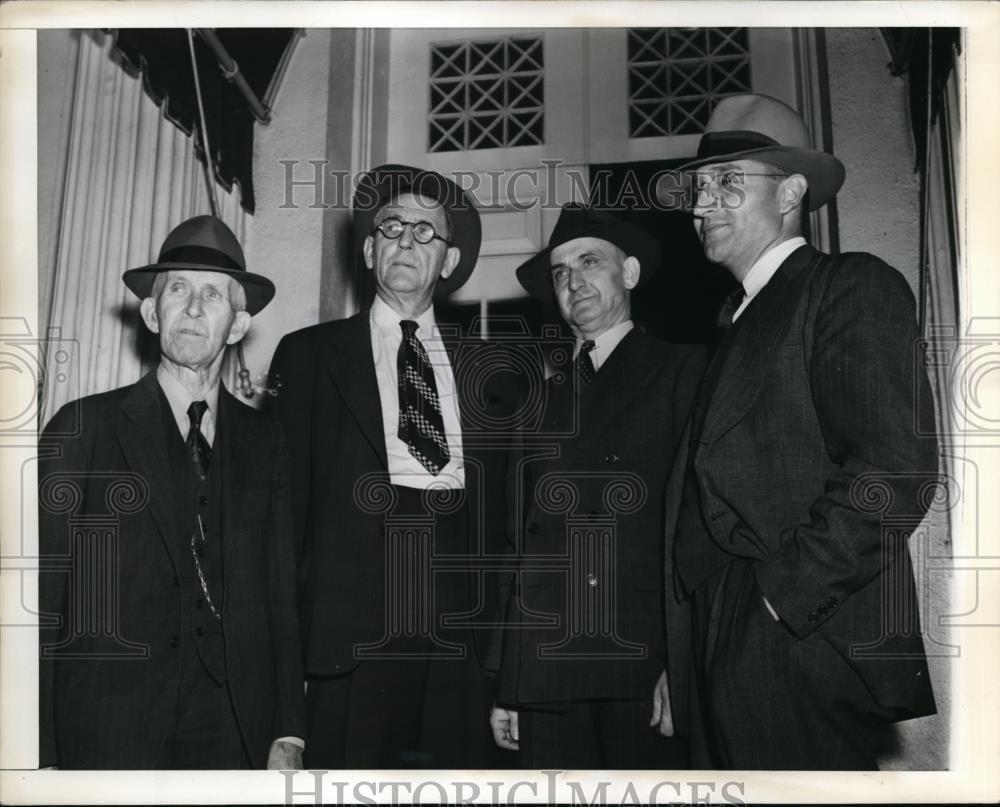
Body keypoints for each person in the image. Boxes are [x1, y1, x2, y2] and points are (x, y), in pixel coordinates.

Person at [655, 93, 939, 770]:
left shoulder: (847, 285)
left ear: (790, 192)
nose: (702, 204)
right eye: (698, 187)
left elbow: (895, 470)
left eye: (728, 182)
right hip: (719, 642)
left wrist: (780, 601)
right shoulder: (729, 326)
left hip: (795, 633)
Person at [268, 164, 518, 768]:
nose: (408, 241)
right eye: (393, 227)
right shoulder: (305, 357)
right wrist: (284, 689)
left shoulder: (497, 373)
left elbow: (512, 527)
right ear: (369, 248)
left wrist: (510, 666)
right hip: (347, 642)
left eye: (427, 232)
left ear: (450, 263)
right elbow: (278, 527)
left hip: (462, 639)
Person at [38, 215, 305, 769]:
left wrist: (288, 730)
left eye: (213, 295)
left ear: (236, 325)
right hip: (107, 720)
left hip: (232, 722)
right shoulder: (81, 427)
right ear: (152, 312)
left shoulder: (266, 441)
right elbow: (38, 601)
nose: (192, 308)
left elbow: (278, 591)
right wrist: (34, 745)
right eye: (177, 289)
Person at [488, 205, 704, 769]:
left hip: (640, 664)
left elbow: (698, 531)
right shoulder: (536, 394)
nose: (573, 281)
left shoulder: (686, 373)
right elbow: (519, 545)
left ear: (629, 274)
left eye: (589, 262)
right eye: (560, 272)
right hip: (546, 669)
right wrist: (510, 681)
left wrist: (683, 664)